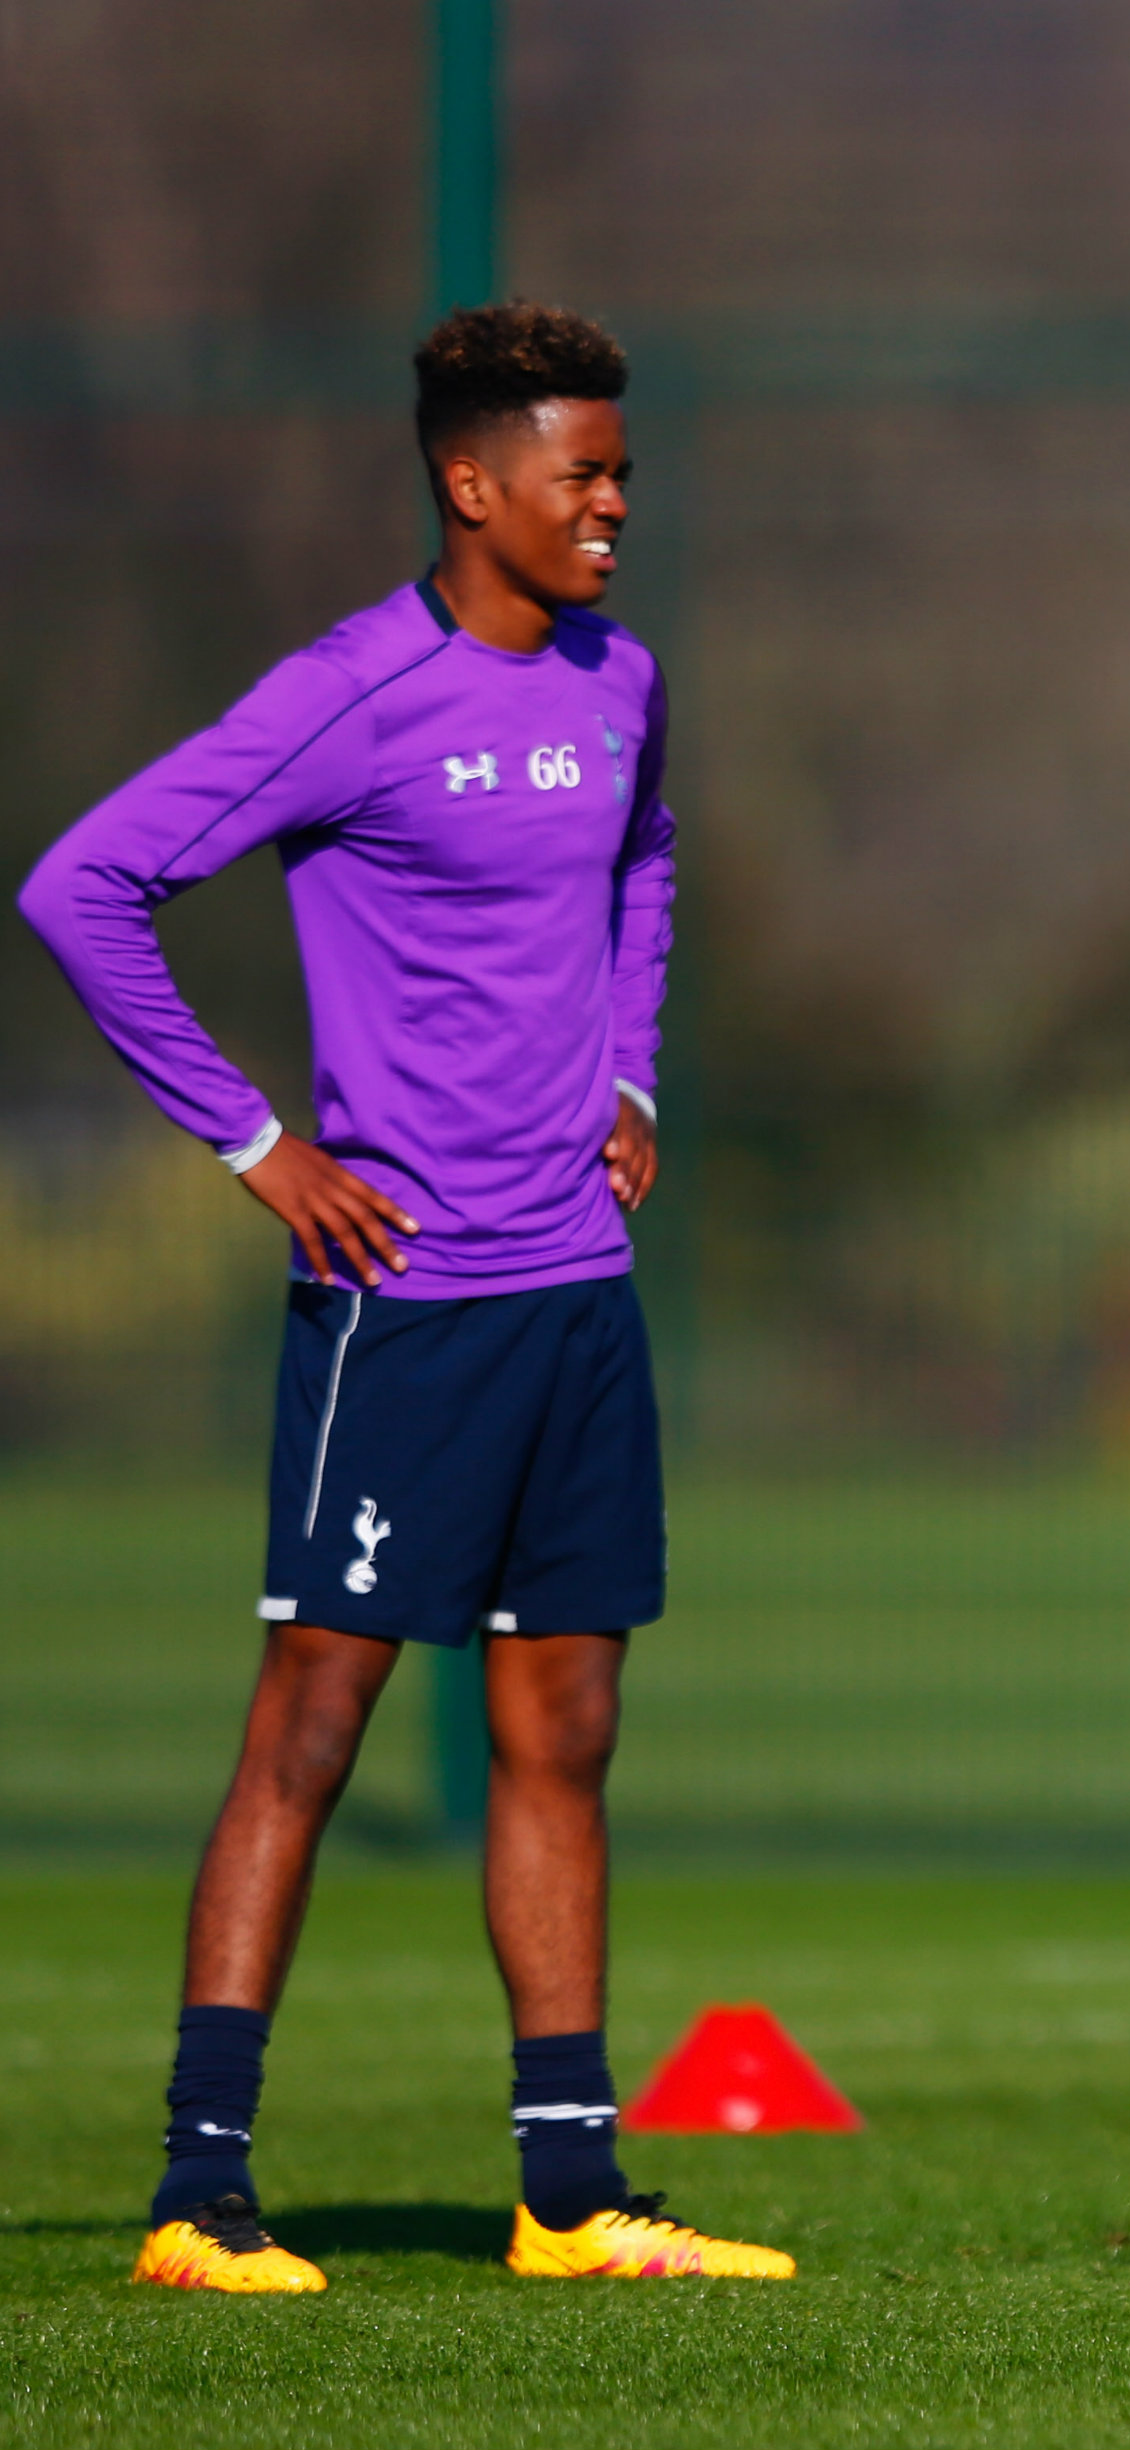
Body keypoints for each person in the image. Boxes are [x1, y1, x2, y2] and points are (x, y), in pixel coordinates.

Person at [20, 303, 789, 2291]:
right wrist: (259, 1145)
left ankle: (569, 2190)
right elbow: (83, 887)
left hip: (577, 1300)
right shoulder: (347, 693)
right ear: (474, 484)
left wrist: (631, 1067)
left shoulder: (626, 681)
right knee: (315, 1723)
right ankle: (198, 2199)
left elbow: (645, 862)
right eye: (581, 474)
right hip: (406, 1303)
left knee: (570, 1722)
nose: (615, 503)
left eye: (622, 469)